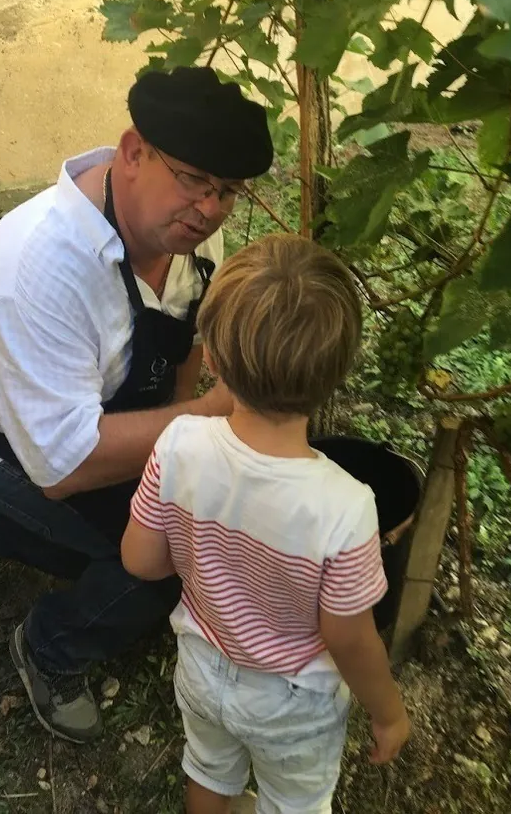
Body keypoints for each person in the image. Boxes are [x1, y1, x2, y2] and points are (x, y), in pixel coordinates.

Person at [0, 66, 274, 744]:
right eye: (195, 180)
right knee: (165, 555)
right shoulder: (33, 270)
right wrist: (211, 417)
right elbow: (62, 465)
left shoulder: (186, 232)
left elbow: (184, 339)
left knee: (188, 508)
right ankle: (48, 645)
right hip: (2, 446)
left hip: (84, 419)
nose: (210, 208)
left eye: (228, 191)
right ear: (133, 151)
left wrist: (177, 447)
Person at [121, 234, 410, 814]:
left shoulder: (178, 443)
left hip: (202, 666)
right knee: (294, 802)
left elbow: (141, 559)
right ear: (335, 374)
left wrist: (209, 551)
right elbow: (349, 637)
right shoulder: (348, 506)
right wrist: (389, 712)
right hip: (293, 701)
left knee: (208, 771)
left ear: (219, 362)